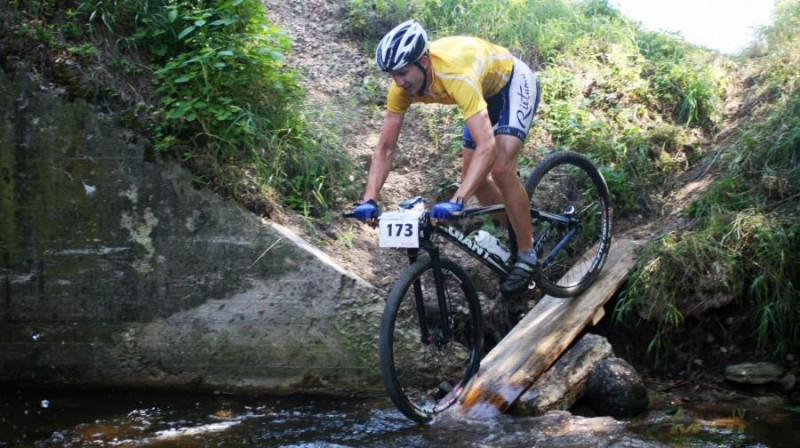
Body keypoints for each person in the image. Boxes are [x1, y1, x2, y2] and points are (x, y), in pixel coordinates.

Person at [351, 20, 542, 295]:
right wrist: (370, 197)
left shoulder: (454, 74)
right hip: (482, 93)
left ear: (424, 61)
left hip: (512, 82)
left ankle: (527, 253)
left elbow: (487, 148)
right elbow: (385, 148)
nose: (399, 82)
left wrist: (457, 200)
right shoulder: (401, 89)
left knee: (500, 169)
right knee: (471, 179)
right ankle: (516, 230)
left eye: (403, 73)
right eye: (393, 75)